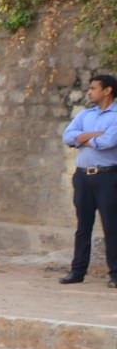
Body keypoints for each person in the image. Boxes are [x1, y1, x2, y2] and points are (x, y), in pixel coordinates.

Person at [59, 72, 117, 287]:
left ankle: (115, 274)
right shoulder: (86, 114)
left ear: (107, 90)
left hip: (108, 176)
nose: (89, 92)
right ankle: (77, 271)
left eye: (93, 88)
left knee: (112, 226)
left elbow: (109, 142)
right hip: (83, 176)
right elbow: (68, 136)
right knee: (83, 226)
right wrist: (94, 135)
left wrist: (82, 137)